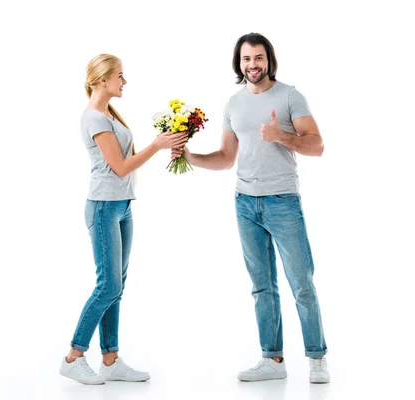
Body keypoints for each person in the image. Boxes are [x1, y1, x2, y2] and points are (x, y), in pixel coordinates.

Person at [172, 33, 330, 384]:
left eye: (258, 58)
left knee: (301, 282)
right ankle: (272, 359)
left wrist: (282, 137)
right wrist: (190, 157)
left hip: (283, 202)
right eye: (246, 59)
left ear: (269, 60)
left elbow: (317, 146)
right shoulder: (234, 103)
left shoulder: (290, 96)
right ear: (238, 63)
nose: (252, 65)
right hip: (245, 203)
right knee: (262, 286)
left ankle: (317, 357)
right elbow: (227, 158)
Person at [60, 54, 188, 385]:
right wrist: (158, 145)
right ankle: (74, 357)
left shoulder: (108, 115)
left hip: (122, 205)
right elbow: (120, 167)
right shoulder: (94, 119)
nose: (124, 81)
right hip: (103, 207)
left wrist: (169, 145)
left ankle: (110, 359)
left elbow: (125, 162)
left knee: (117, 287)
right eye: (119, 75)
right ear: (102, 80)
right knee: (109, 285)